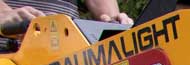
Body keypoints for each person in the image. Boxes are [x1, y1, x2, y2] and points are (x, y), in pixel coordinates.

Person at [0, 1, 131, 26]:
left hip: (69, 57)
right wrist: (4, 13)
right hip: (8, 57)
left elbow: (104, 8)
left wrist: (113, 23)